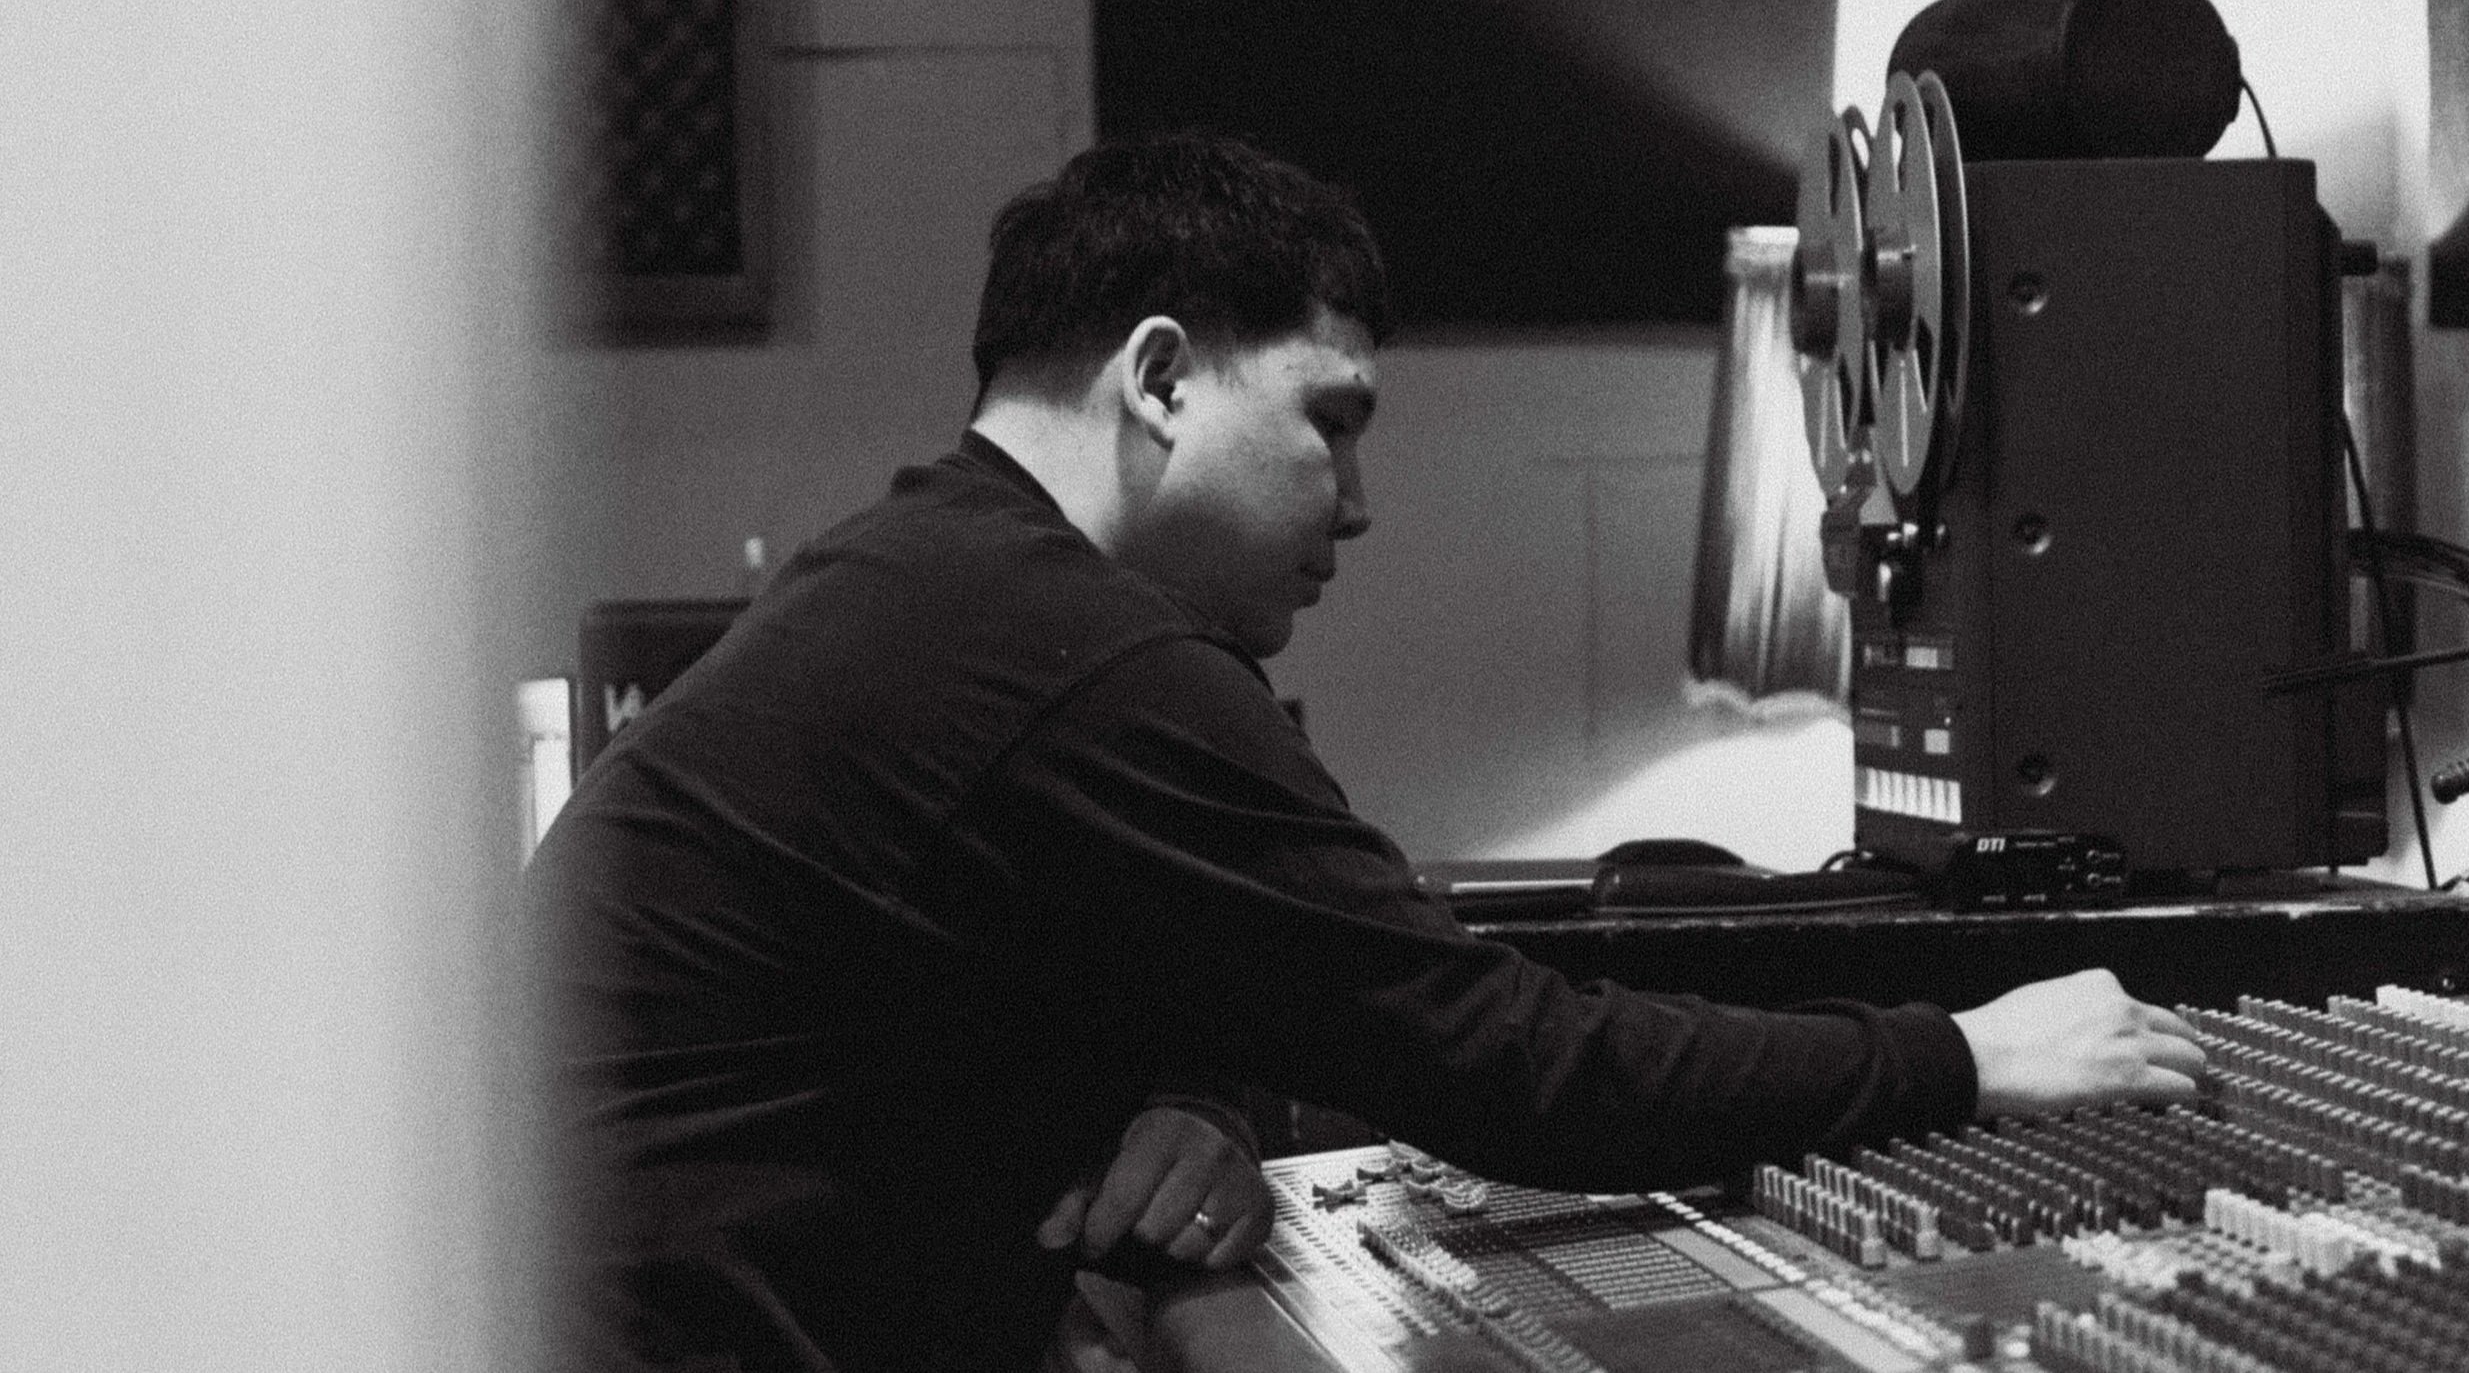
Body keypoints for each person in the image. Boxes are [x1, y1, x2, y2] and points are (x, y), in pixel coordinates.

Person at [533, 133, 2205, 1372]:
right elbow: (1510, 1064)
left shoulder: (938, 576)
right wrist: (1968, 1056)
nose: (1358, 499)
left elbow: (1123, 959)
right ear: (1164, 379)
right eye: (1331, 419)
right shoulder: (1077, 653)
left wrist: (1188, 1091)